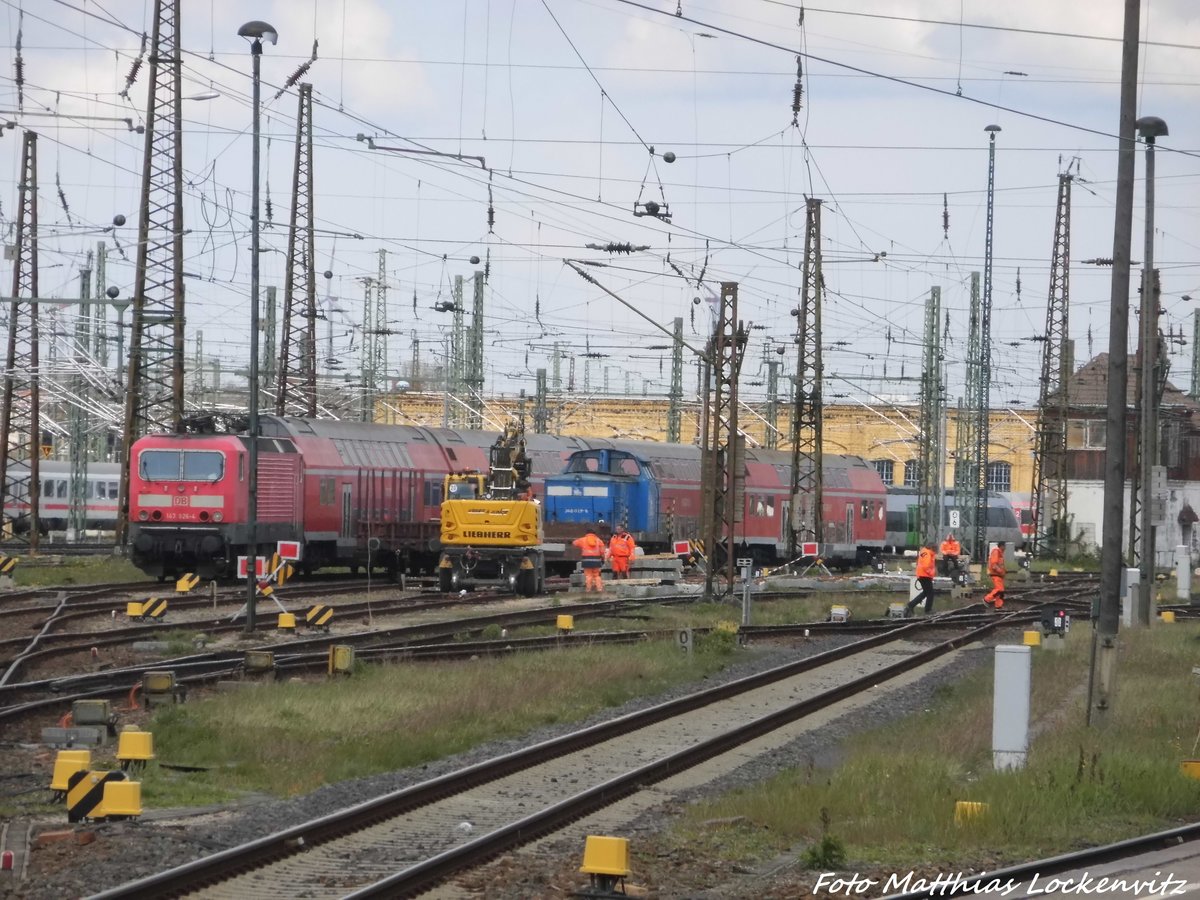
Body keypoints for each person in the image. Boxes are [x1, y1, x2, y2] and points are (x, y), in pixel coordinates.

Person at [906, 542, 937, 616]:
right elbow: (926, 566)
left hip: (921, 575)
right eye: (935, 549)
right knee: (930, 593)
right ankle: (928, 610)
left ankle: (911, 605)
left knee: (926, 592)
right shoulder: (928, 554)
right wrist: (931, 573)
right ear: (932, 548)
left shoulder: (924, 552)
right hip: (925, 575)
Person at [573, 526, 607, 593]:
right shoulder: (598, 540)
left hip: (586, 560)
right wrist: (603, 558)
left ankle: (588, 589)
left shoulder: (583, 540)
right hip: (596, 560)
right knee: (597, 575)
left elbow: (574, 543)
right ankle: (599, 589)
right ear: (594, 533)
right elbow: (602, 551)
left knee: (588, 575)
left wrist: (581, 546)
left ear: (587, 533)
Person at [984, 541, 1007, 609]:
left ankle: (998, 606)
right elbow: (994, 565)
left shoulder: (1000, 554)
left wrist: (1003, 572)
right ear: (1001, 546)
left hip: (999, 575)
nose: (1005, 548)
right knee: (999, 590)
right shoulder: (996, 552)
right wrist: (1000, 571)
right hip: (996, 575)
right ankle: (987, 599)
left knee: (1001, 592)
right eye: (1005, 546)